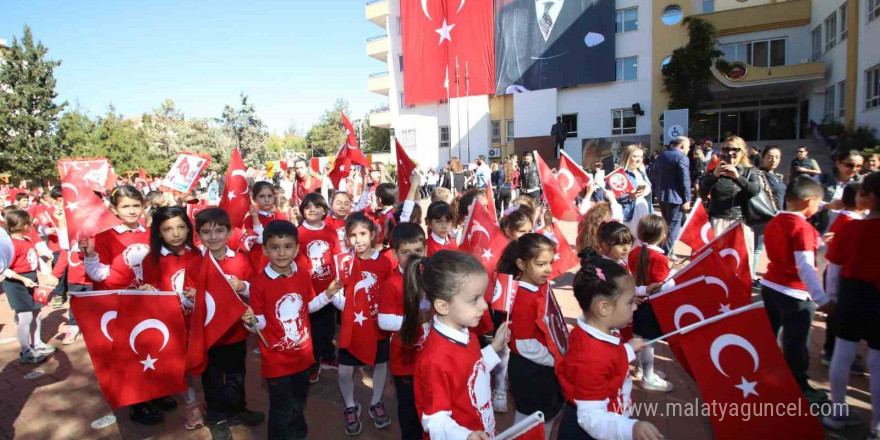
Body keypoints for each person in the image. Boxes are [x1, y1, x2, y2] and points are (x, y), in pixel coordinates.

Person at [245, 220, 342, 440]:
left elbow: (307, 308)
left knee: (298, 403)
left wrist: (326, 295)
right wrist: (249, 321)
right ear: (265, 250)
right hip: (277, 361)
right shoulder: (259, 284)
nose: (281, 253)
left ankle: (298, 434)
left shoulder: (302, 275)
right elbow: (258, 325)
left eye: (287, 246)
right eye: (275, 247)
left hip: (303, 356)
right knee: (281, 409)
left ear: (297, 249)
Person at [555, 250, 662, 440]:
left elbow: (609, 357)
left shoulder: (600, 330)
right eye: (629, 303)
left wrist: (628, 349)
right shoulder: (589, 357)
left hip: (610, 418)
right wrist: (630, 429)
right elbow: (591, 418)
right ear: (604, 307)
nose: (635, 307)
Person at [410, 250, 511, 439]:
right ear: (442, 306)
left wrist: (495, 347)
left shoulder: (467, 333)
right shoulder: (435, 360)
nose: (483, 306)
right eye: (474, 299)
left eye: (483, 297)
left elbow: (473, 372)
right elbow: (435, 420)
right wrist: (465, 436)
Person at [760, 175, 829, 403]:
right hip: (795, 292)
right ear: (809, 201)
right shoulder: (802, 228)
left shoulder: (775, 221)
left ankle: (768, 378)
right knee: (796, 342)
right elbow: (806, 267)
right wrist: (821, 297)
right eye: (819, 203)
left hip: (771, 286)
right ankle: (799, 387)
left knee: (771, 336)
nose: (819, 207)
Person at [822, 172, 880, 437]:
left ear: (866, 197)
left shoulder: (849, 228)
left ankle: (837, 412)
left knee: (843, 354)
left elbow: (833, 267)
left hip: (851, 294)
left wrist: (831, 297)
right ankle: (877, 425)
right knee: (877, 362)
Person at [140, 206, 203, 429]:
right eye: (168, 229)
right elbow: (153, 293)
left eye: (180, 227)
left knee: (203, 363)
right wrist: (148, 291)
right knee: (183, 367)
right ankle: (192, 405)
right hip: (172, 324)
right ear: (158, 232)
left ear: (189, 228)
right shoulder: (152, 261)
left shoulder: (197, 254)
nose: (175, 234)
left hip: (198, 321)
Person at [498, 233, 564, 438]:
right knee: (531, 425)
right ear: (521, 264)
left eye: (551, 263)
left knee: (544, 420)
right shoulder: (524, 298)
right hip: (532, 371)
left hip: (541, 367)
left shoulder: (538, 288)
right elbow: (525, 345)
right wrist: (558, 360)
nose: (549, 269)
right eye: (541, 264)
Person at [338, 212, 394, 435]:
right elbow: (336, 292)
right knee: (344, 371)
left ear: (372, 234)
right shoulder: (345, 262)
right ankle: (350, 405)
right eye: (353, 235)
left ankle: (376, 402)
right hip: (352, 327)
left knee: (380, 365)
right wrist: (345, 305)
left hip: (377, 326)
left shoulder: (384, 263)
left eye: (362, 234)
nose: (358, 240)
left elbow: (390, 293)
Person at [494, 0, 613, 94]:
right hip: (524, 105)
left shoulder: (593, 6)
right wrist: (510, 88)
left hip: (572, 98)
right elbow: (500, 71)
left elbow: (602, 63)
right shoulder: (507, 15)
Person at [377, 223, 428, 440]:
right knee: (408, 410)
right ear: (396, 254)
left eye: (417, 251)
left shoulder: (430, 277)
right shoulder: (392, 282)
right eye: (406, 252)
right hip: (405, 360)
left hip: (429, 357)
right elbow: (384, 321)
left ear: (425, 250)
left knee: (429, 406)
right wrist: (415, 320)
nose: (412, 256)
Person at [296, 193, 343, 383]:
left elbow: (337, 258)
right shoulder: (298, 233)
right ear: (302, 211)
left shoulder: (330, 232)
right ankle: (313, 362)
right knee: (313, 327)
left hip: (330, 287)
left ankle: (328, 355)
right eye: (308, 207)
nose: (313, 210)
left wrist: (339, 282)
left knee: (329, 325)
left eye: (317, 206)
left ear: (325, 210)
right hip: (311, 291)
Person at [627, 215, 674, 393]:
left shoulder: (633, 252)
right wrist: (673, 275)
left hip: (638, 302)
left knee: (640, 338)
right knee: (648, 342)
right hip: (652, 305)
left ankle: (641, 368)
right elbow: (664, 286)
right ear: (662, 236)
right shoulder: (659, 259)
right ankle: (648, 375)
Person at [699, 135, 761, 269]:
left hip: (739, 223)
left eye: (735, 149)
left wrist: (737, 177)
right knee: (715, 267)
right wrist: (714, 175)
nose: (730, 153)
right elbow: (702, 192)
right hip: (717, 223)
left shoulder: (749, 171)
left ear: (743, 151)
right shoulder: (715, 170)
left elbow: (755, 190)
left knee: (738, 268)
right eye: (726, 149)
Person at [3, 210, 54, 364]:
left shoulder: (26, 240)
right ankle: (25, 350)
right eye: (30, 223)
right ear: (24, 226)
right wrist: (22, 279)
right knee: (25, 317)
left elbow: (33, 259)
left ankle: (37, 343)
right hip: (17, 284)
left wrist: (45, 267)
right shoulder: (9, 245)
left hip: (31, 279)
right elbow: (4, 268)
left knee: (37, 313)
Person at [752, 146, 786, 282]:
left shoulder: (778, 176)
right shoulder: (759, 175)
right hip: (764, 215)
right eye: (770, 157)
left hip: (778, 215)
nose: (773, 160)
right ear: (763, 158)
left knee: (771, 247)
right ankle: (751, 275)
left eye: (777, 157)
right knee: (757, 247)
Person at [653, 136, 691, 253]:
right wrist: (687, 199)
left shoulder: (662, 155)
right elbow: (684, 180)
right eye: (688, 147)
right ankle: (666, 252)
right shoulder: (681, 157)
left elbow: (654, 174)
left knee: (666, 225)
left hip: (662, 195)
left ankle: (666, 249)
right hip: (676, 198)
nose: (689, 149)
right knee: (673, 227)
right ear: (682, 146)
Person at [815, 149, 864, 233]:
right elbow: (809, 200)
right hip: (824, 229)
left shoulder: (861, 183)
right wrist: (828, 205)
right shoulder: (822, 179)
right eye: (849, 165)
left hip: (850, 230)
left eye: (858, 166)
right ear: (838, 163)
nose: (854, 169)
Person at [615, 145, 653, 236]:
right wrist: (629, 196)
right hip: (630, 213)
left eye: (641, 156)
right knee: (632, 237)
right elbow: (616, 196)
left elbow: (648, 188)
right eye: (635, 156)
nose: (639, 159)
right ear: (628, 157)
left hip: (643, 209)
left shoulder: (640, 172)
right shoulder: (620, 174)